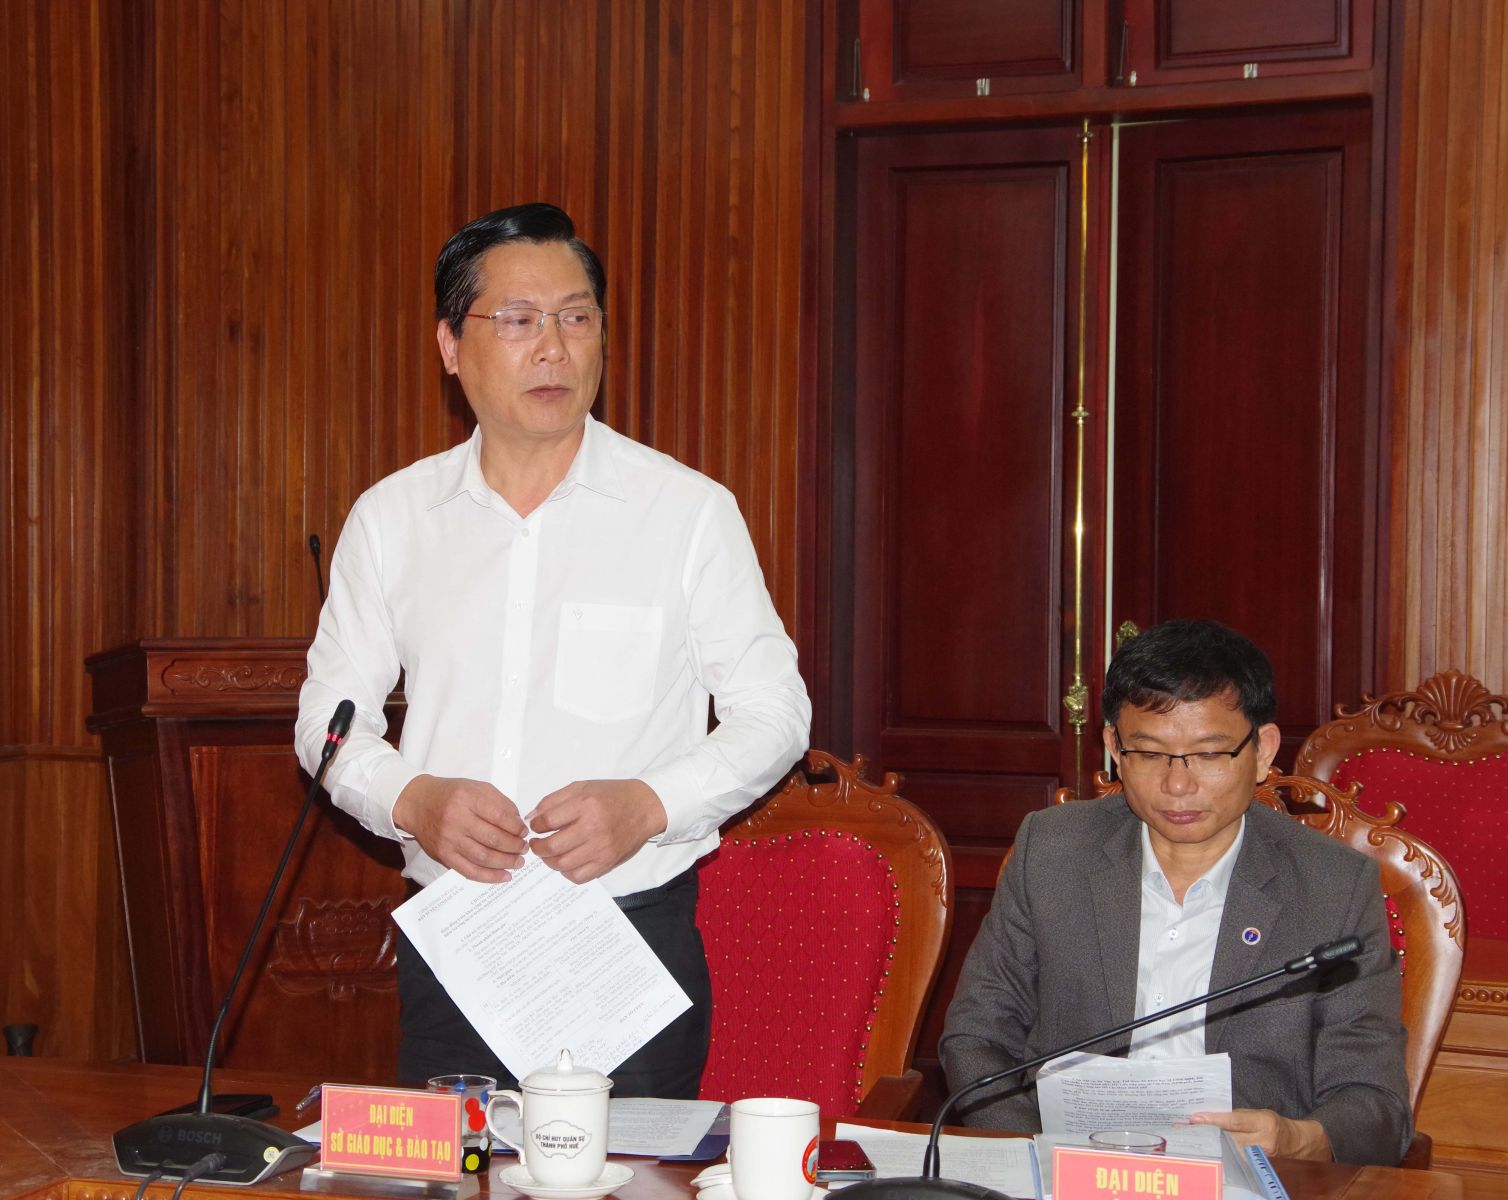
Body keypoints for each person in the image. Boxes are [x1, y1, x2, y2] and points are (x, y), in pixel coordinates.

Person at [295, 202, 811, 1096]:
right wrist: (413, 799)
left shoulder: (685, 513)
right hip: (458, 943)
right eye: (518, 320)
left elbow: (775, 712)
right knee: (459, 1172)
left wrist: (650, 804)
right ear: (451, 345)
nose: (553, 348)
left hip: (626, 942)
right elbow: (326, 723)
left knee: (632, 1173)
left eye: (577, 318)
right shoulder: (394, 519)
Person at [940, 619, 1412, 1166]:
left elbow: (1375, 1103)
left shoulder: (1333, 887)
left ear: (1262, 750)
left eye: (1209, 755)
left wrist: (1295, 1139)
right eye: (1150, 753)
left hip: (1243, 1179)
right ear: (1115, 748)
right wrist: (1038, 1155)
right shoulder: (1052, 852)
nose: (1178, 784)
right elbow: (977, 1037)